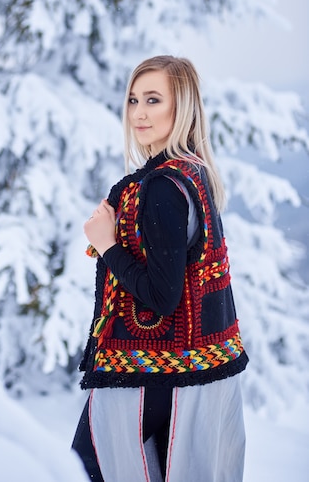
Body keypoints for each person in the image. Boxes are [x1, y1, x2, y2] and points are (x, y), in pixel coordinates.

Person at [72, 55, 249, 482]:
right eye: (134, 99)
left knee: (85, 466)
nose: (139, 113)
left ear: (182, 107)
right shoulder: (193, 173)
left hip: (154, 371)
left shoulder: (162, 189)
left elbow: (162, 296)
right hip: (195, 370)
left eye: (153, 100)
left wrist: (107, 245)